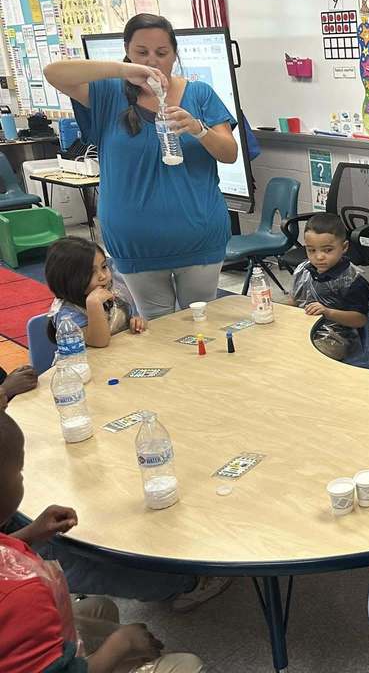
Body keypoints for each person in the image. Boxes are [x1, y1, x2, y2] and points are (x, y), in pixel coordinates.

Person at [43, 13, 239, 320]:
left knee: (203, 324)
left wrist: (198, 129)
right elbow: (54, 72)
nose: (153, 61)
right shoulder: (108, 93)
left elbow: (229, 153)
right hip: (136, 241)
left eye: (162, 53)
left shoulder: (199, 94)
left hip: (198, 235)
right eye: (142, 52)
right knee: (155, 327)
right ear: (127, 51)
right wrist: (124, 71)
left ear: (174, 53)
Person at [0, 408, 206, 672]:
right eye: (19, 471)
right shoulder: (21, 595)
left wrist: (31, 534)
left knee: (100, 609)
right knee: (188, 665)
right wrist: (121, 644)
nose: (22, 477)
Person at [288, 213, 369, 362]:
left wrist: (328, 312)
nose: (319, 257)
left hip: (338, 338)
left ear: (344, 247)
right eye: (311, 250)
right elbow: (294, 301)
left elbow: (359, 320)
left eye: (327, 250)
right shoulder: (303, 270)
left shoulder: (353, 281)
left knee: (306, 358)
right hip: (304, 328)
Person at [44, 237, 146, 348]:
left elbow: (127, 321)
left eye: (104, 266)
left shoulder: (111, 294)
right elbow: (99, 342)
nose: (102, 276)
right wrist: (94, 304)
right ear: (67, 279)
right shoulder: (67, 314)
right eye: (90, 272)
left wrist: (136, 322)